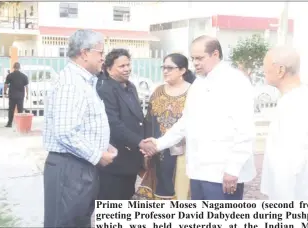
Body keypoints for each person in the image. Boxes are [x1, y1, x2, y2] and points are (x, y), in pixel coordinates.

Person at [141, 35, 256, 200]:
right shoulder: (199, 83)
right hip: (199, 172)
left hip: (223, 174)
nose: (195, 63)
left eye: (200, 58)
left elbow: (245, 130)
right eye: (193, 58)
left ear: (215, 54)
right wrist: (158, 143)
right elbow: (186, 122)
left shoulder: (235, 81)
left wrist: (233, 168)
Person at [42, 29, 116, 227]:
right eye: (100, 53)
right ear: (84, 53)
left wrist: (103, 145)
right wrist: (97, 154)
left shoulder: (83, 82)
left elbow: (81, 125)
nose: (103, 58)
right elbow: (65, 131)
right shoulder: (71, 84)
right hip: (70, 168)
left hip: (80, 165)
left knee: (79, 221)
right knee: (66, 223)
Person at [260, 46, 308, 200]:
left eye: (266, 68)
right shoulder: (304, 97)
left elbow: (289, 163)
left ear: (280, 70)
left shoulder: (293, 105)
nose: (263, 72)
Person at [132, 53, 196, 200]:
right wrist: (147, 148)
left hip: (183, 155)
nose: (165, 71)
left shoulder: (192, 92)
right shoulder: (158, 91)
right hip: (158, 153)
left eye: (170, 68)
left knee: (181, 192)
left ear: (182, 70)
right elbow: (149, 121)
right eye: (164, 67)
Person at [97, 48, 156, 200]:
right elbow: (113, 123)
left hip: (131, 159)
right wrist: (139, 142)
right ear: (109, 69)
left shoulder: (131, 87)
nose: (127, 69)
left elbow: (138, 119)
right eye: (122, 66)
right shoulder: (105, 89)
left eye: (128, 65)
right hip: (115, 160)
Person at [3, 62, 29, 127]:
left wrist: (5, 92)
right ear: (19, 68)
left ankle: (9, 123)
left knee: (11, 109)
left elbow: (6, 85)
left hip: (12, 95)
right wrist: (27, 95)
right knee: (20, 110)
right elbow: (26, 86)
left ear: (13, 67)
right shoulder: (24, 76)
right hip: (20, 96)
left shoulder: (10, 75)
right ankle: (20, 124)